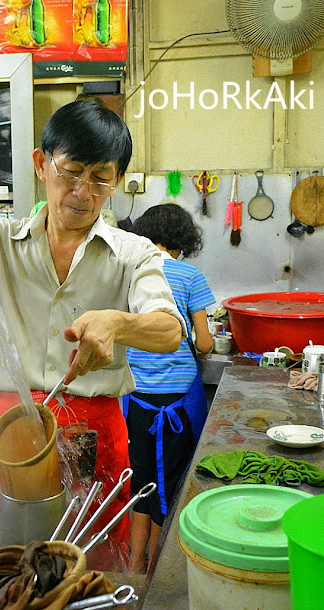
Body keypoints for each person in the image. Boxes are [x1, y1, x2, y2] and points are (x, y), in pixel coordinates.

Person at [0, 100, 186, 571]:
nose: (82, 192)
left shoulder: (133, 253)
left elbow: (169, 329)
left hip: (96, 432)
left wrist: (117, 322)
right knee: (11, 563)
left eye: (100, 178)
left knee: (94, 571)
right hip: (16, 435)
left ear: (117, 181)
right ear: (42, 164)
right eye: (71, 172)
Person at [124, 203, 215, 574]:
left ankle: (133, 567)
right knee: (167, 489)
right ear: (182, 241)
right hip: (175, 404)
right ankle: (157, 573)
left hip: (135, 401)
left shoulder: (130, 273)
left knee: (138, 483)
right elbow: (206, 343)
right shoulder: (190, 275)